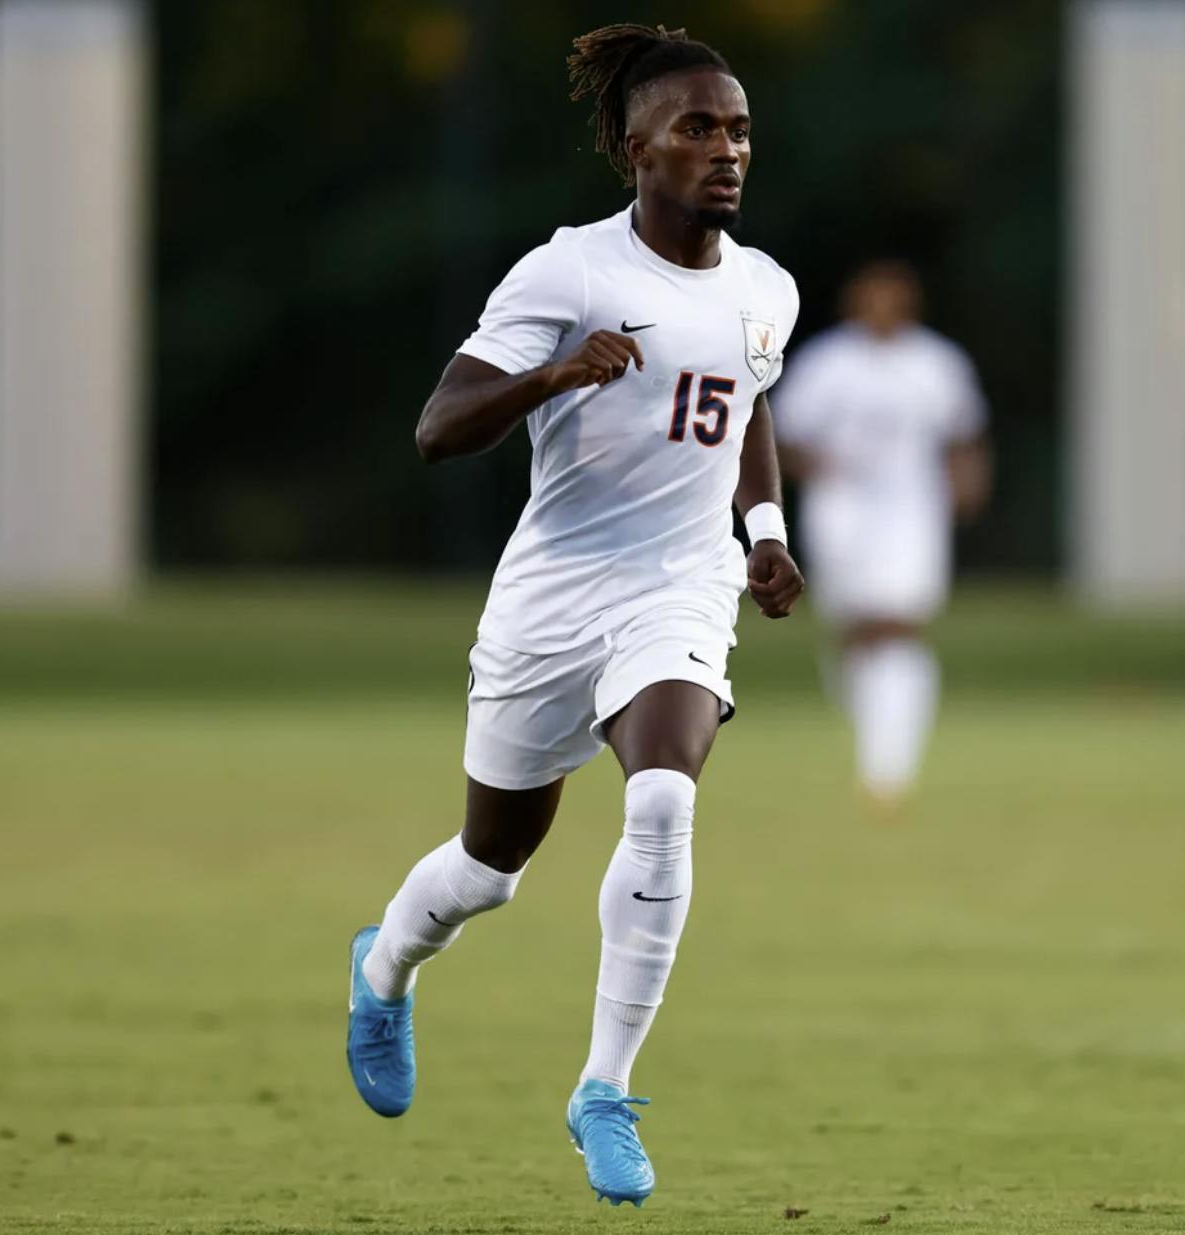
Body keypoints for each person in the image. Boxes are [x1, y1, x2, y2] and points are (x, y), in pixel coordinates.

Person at [342, 23, 804, 1208]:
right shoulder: (569, 273)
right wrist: (553, 374)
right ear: (634, 147)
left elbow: (748, 409)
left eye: (738, 127)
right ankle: (385, 967)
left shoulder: (767, 289)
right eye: (698, 127)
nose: (726, 148)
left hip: (680, 589)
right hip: (552, 595)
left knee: (660, 798)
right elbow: (438, 429)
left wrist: (764, 538)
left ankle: (604, 1086)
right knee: (490, 866)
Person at [770, 260, 991, 809]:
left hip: (912, 510)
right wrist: (816, 467)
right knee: (856, 631)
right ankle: (875, 731)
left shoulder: (936, 363)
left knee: (898, 625)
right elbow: (785, 435)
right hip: (841, 510)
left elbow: (964, 433)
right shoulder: (827, 363)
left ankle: (888, 768)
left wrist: (967, 483)